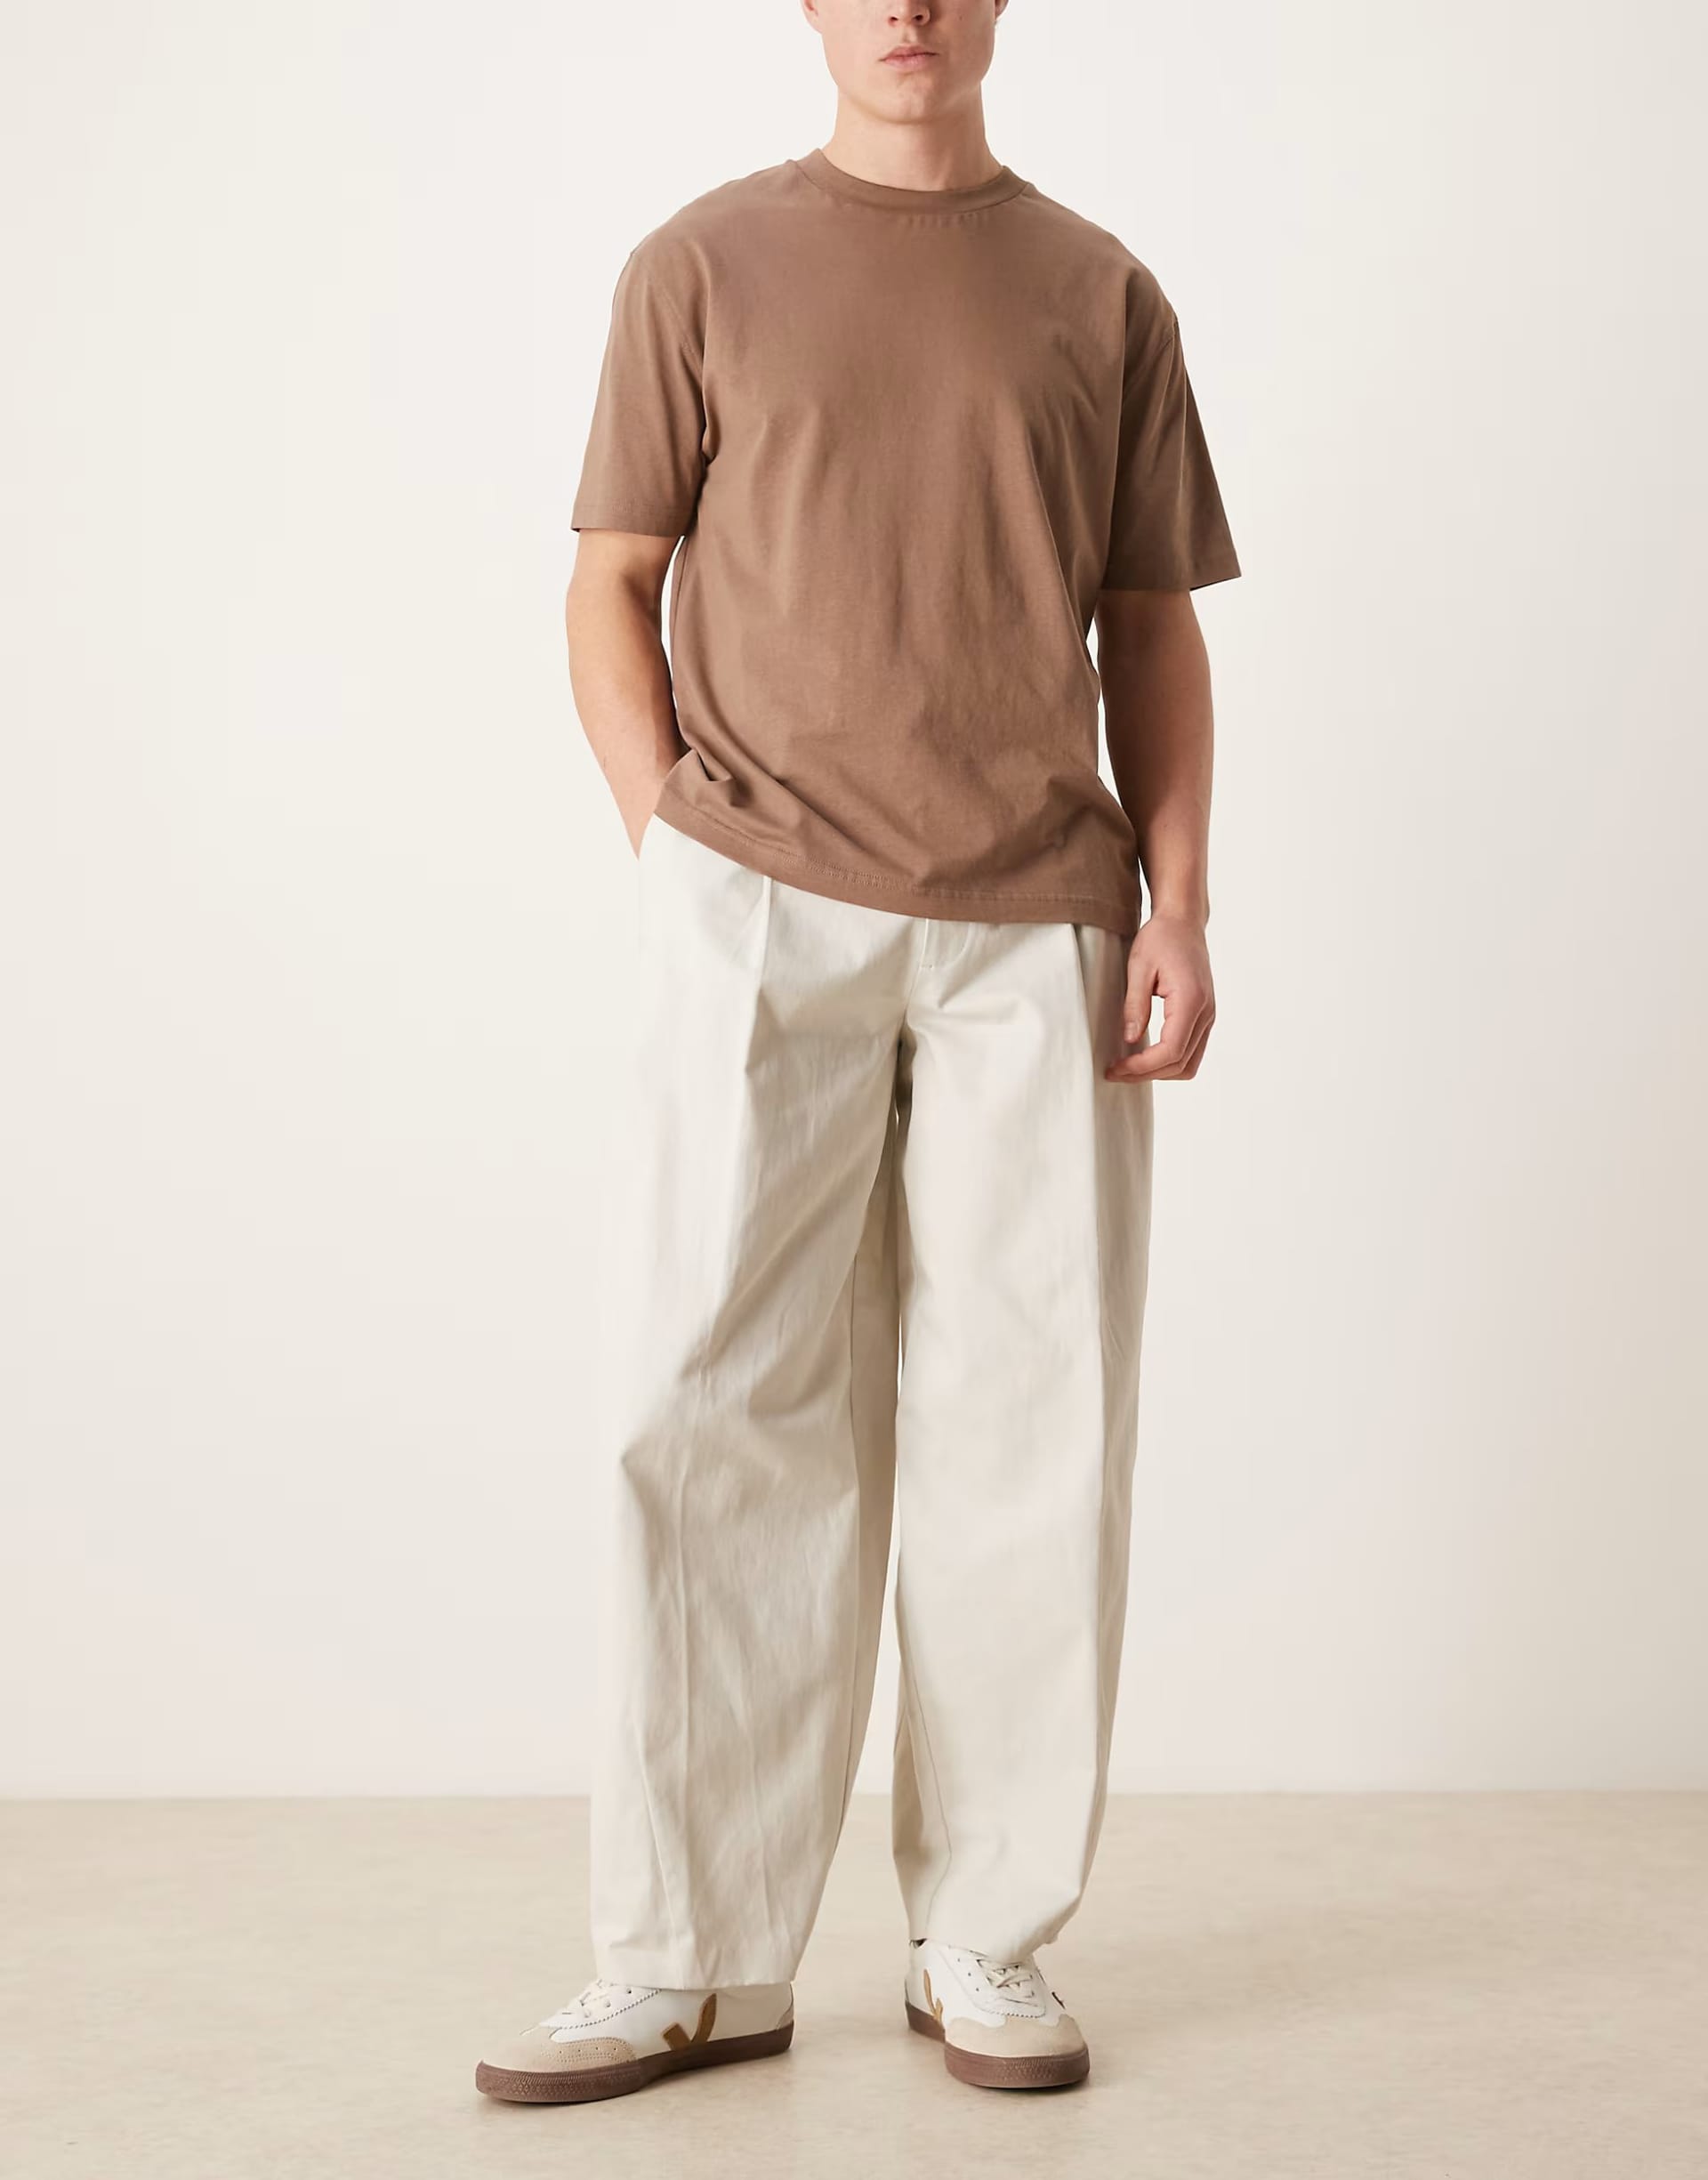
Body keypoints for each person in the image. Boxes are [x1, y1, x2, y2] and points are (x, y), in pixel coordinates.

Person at [476, 0, 1239, 2104]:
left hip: (1038, 921)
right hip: (760, 904)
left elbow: (1150, 619)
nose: (908, 5)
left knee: (1031, 1429)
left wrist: (1180, 902)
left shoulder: (1101, 292)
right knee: (705, 1407)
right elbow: (611, 580)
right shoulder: (697, 268)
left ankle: (987, 1934)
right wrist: (676, 849)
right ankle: (687, 1957)